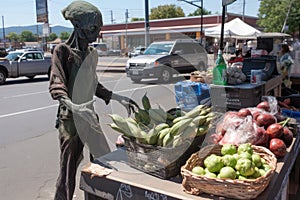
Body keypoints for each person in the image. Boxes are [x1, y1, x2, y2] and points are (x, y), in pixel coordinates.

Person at [48, 1, 138, 199]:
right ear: (78, 27)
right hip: (71, 121)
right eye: (92, 28)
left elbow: (93, 85)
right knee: (67, 173)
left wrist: (117, 97)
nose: (96, 33)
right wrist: (75, 107)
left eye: (99, 28)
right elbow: (57, 86)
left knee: (105, 160)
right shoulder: (62, 51)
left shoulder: (92, 54)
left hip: (89, 117)